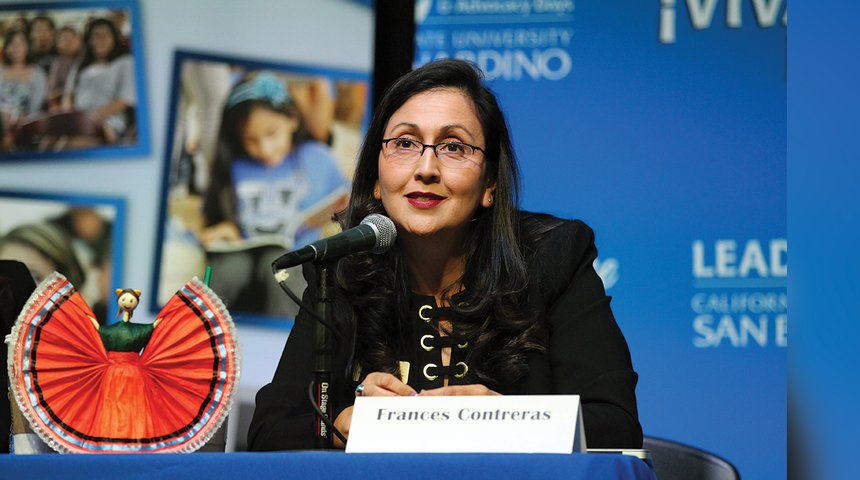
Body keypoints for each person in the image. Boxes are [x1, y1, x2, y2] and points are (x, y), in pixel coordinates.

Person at [247, 59, 642, 450]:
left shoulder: (554, 257)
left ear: (489, 182)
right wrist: (341, 426)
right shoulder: (341, 271)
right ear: (375, 180)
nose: (426, 168)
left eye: (453, 146)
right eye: (404, 143)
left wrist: (506, 420)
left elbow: (614, 426)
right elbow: (269, 432)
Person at [200, 72, 349, 317]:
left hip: (297, 260)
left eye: (272, 133)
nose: (265, 149)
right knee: (225, 272)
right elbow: (212, 221)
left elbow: (349, 203)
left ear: (291, 119)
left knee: (284, 269)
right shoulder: (234, 166)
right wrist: (223, 228)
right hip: (241, 256)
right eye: (250, 139)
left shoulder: (317, 158)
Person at [65, 18, 136, 144]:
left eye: (104, 35)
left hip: (108, 123)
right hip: (76, 122)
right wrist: (69, 119)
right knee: (49, 142)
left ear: (114, 38)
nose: (99, 40)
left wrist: (89, 119)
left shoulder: (125, 62)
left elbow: (124, 101)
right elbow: (68, 96)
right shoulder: (81, 64)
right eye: (95, 36)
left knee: (74, 144)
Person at [0, 28, 47, 148]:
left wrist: (18, 122)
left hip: (24, 126)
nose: (15, 47)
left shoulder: (38, 74)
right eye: (11, 44)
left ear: (28, 46)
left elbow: (36, 110)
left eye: (20, 43)